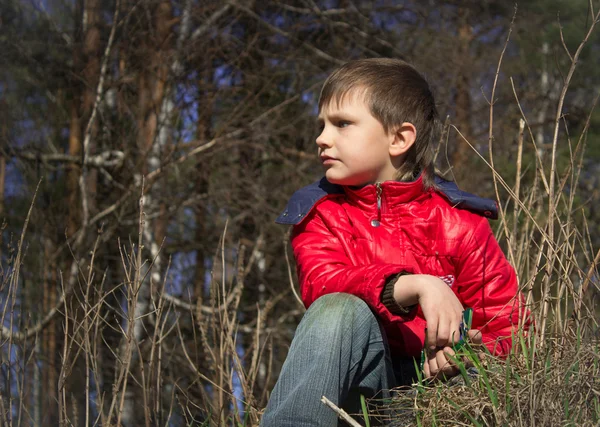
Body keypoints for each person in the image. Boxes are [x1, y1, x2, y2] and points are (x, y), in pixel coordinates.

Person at [261, 58, 528, 426]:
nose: (322, 138)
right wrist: (412, 284)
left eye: (342, 124)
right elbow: (320, 285)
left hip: (437, 403)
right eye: (321, 125)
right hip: (361, 392)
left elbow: (509, 330)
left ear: (399, 138)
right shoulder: (320, 214)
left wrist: (467, 357)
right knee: (337, 309)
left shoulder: (462, 225)